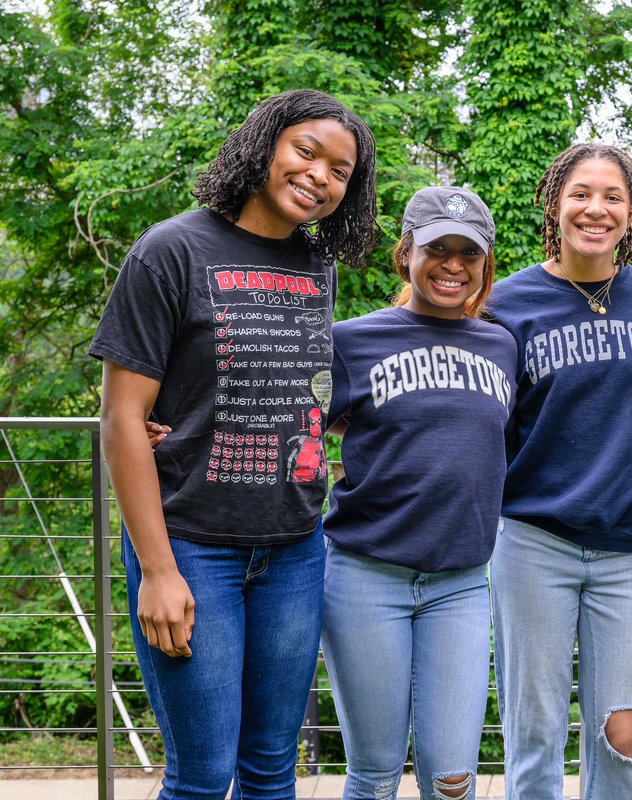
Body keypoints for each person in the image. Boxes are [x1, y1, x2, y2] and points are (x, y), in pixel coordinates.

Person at [91, 89, 377, 799]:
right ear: (264, 145)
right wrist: (157, 570)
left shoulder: (318, 267)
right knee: (202, 775)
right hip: (189, 542)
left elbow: (293, 385)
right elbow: (123, 418)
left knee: (271, 771)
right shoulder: (171, 250)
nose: (319, 176)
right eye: (306, 151)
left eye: (340, 171)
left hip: (294, 546)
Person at [486, 143, 632, 800]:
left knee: (626, 731)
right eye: (580, 193)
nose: (595, 208)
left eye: (613, 196)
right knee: (535, 728)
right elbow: (475, 411)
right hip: (532, 541)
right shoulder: (506, 301)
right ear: (554, 206)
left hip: (628, 546)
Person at [318, 187, 517, 800]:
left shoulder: (501, 345)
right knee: (375, 776)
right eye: (437, 249)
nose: (452, 265)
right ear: (405, 253)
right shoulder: (351, 341)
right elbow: (284, 420)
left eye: (468, 254)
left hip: (459, 583)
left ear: (485, 266)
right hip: (363, 576)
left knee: (453, 779)